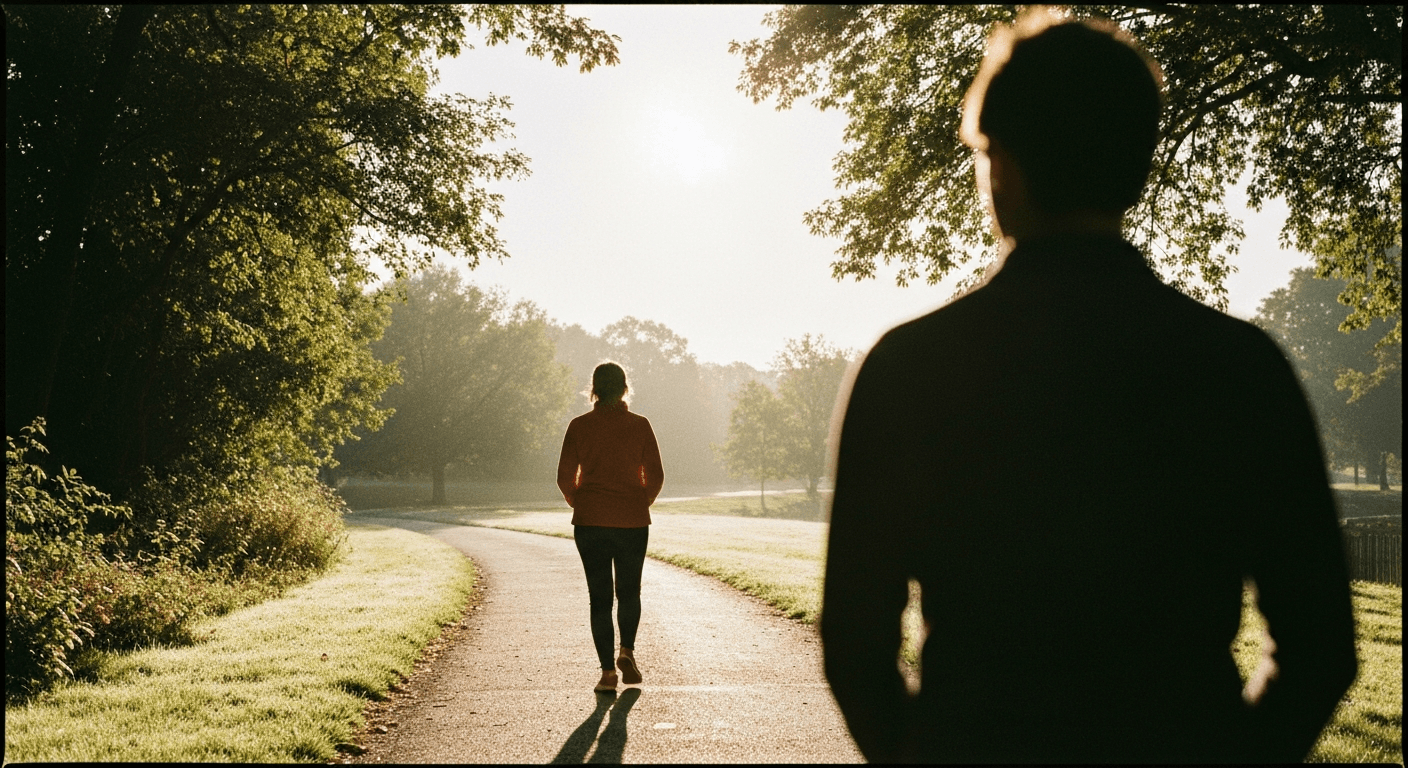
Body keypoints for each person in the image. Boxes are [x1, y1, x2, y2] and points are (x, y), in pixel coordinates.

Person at [821, 10, 1358, 764]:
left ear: (998, 160)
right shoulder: (1240, 367)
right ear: (1138, 160)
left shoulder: (910, 366)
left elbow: (854, 640)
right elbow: (1321, 645)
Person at [557, 362, 665, 693]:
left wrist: (581, 502)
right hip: (632, 520)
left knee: (600, 598)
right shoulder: (640, 425)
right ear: (624, 388)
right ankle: (627, 651)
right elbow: (656, 476)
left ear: (594, 389)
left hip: (590, 521)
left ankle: (607, 674)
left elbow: (564, 477)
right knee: (630, 591)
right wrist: (638, 502)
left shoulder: (578, 426)